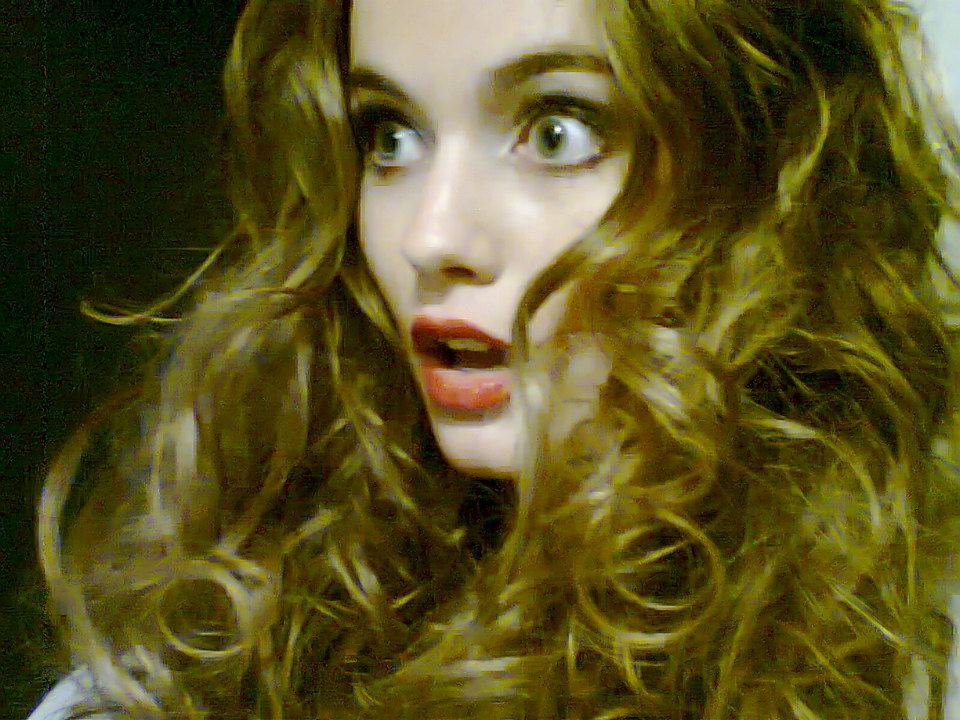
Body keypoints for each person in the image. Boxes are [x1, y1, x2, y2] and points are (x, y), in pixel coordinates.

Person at [28, 0, 960, 718]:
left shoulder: (920, 653)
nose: (429, 236)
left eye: (557, 130)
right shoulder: (205, 662)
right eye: (390, 136)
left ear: (772, 175)